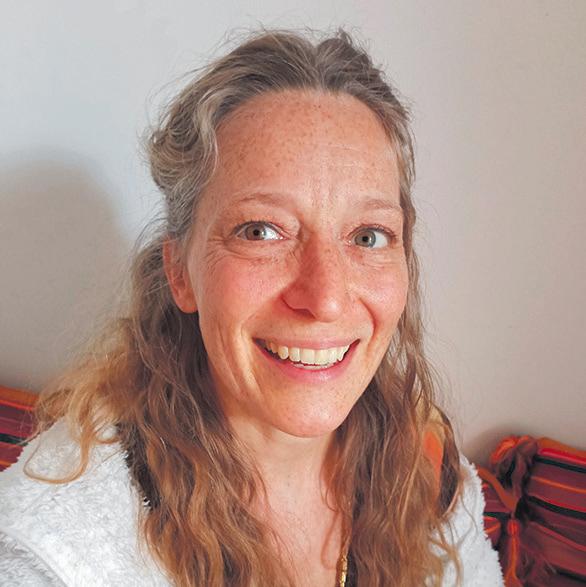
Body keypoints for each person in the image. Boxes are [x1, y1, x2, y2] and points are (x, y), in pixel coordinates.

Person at [0, 29, 503, 586]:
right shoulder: (51, 553)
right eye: (261, 231)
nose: (326, 298)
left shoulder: (426, 472)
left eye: (367, 236)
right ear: (179, 272)